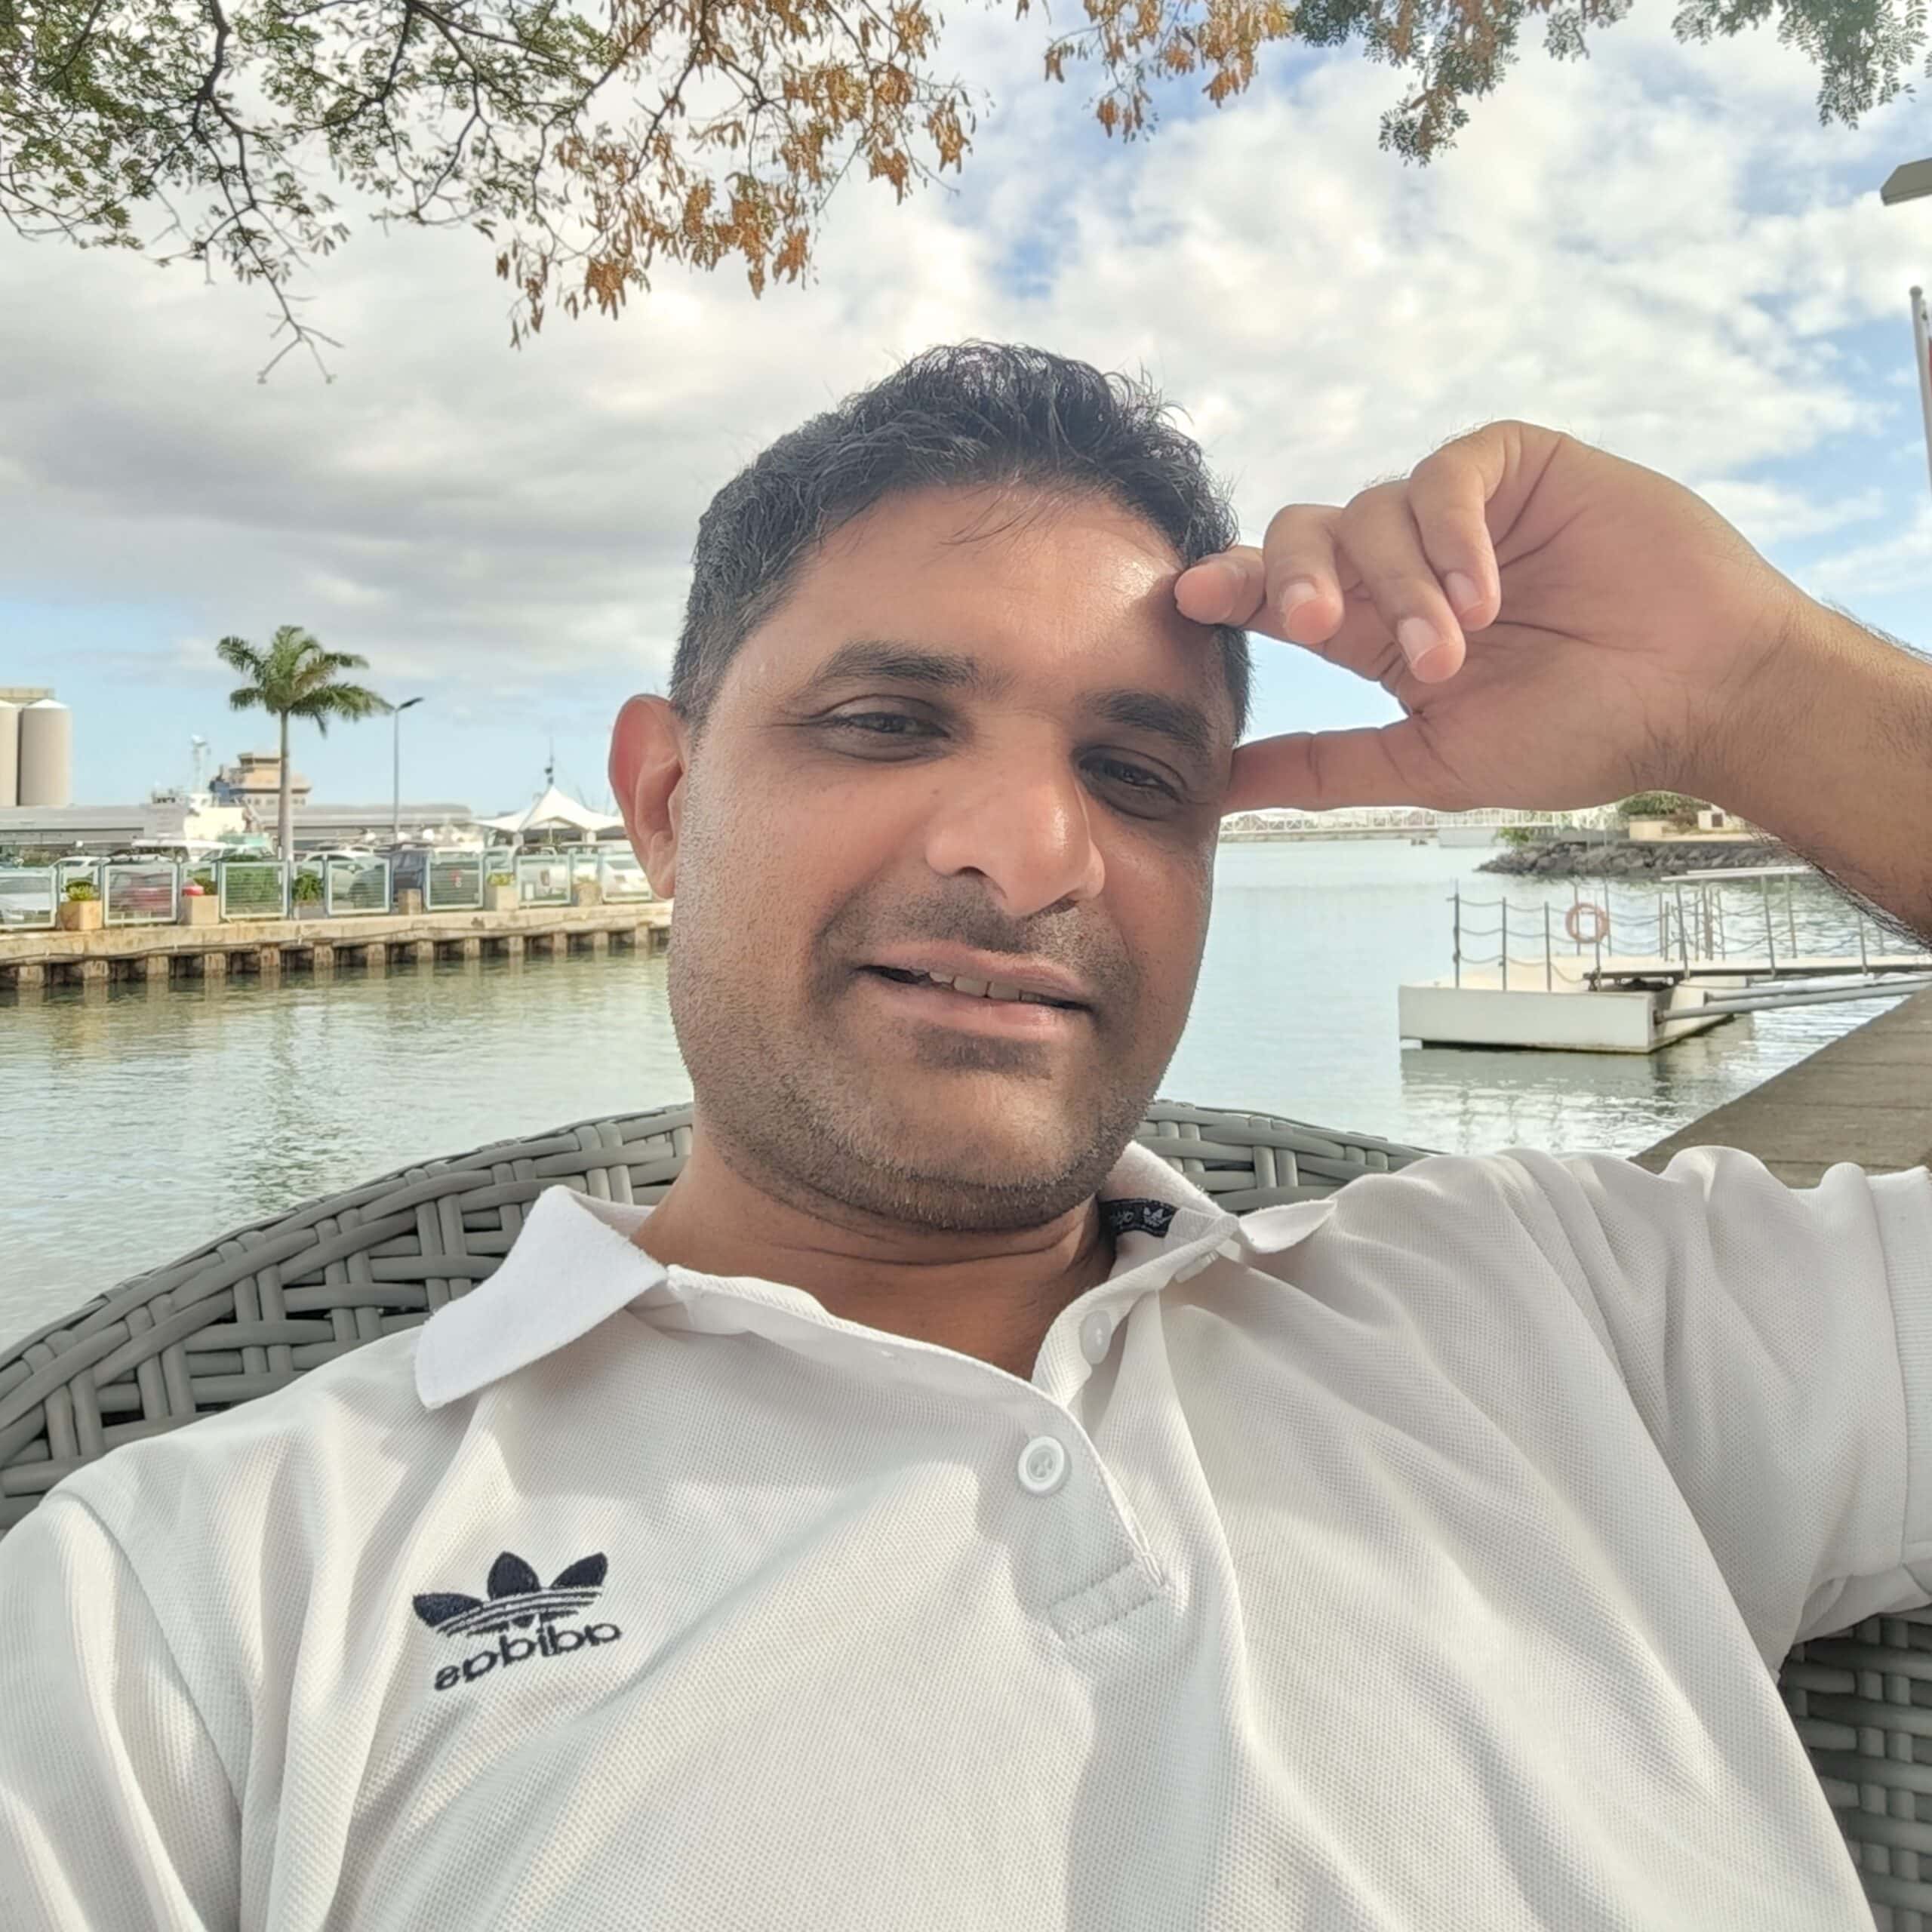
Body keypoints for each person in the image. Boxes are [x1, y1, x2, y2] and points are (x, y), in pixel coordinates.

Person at [2, 343, 1928, 1931]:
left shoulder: (1572, 1309)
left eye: (1136, 771)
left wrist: (1756, 690)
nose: (1026, 852)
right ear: (663, 801)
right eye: (884, 721)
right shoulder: (198, 1592)